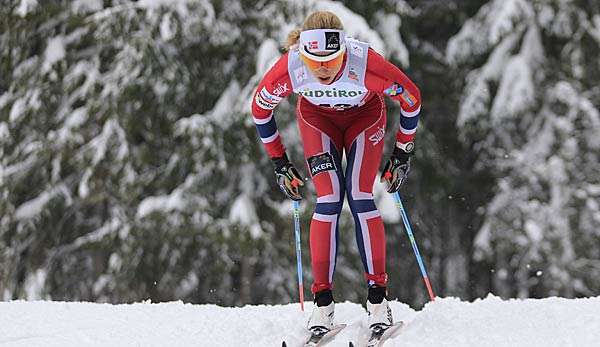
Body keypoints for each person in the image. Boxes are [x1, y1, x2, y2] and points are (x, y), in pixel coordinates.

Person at [251, 11, 421, 335]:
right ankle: (323, 305)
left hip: (365, 119)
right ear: (303, 54)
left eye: (331, 59)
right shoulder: (292, 66)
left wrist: (402, 153)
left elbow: (412, 99)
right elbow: (260, 110)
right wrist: (280, 163)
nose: (324, 69)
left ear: (345, 50)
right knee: (329, 198)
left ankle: (377, 302)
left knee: (359, 195)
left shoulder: (364, 63)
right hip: (318, 122)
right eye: (315, 63)